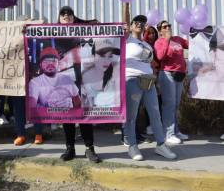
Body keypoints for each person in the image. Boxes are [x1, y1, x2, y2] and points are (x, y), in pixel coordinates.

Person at [123, 14, 177, 161]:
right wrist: (126, 5)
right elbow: (125, 19)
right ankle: (132, 146)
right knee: (131, 116)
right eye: (137, 22)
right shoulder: (127, 39)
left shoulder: (147, 45)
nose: (140, 24)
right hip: (132, 80)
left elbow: (151, 64)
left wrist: (155, 80)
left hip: (148, 81)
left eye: (143, 22)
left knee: (155, 113)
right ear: (132, 24)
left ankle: (161, 144)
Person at [52, 6, 100, 162]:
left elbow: (95, 25)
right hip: (65, 74)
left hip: (84, 75)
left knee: (84, 111)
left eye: (70, 13)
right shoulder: (53, 30)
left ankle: (89, 148)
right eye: (63, 13)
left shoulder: (82, 29)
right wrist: (27, 29)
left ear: (74, 17)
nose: (66, 15)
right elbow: (35, 32)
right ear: (59, 18)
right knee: (68, 112)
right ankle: (69, 148)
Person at [154, 20, 189, 144]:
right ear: (160, 31)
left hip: (180, 75)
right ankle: (168, 134)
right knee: (169, 105)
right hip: (167, 74)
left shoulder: (178, 39)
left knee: (176, 104)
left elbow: (191, 44)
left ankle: (175, 130)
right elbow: (160, 57)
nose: (168, 27)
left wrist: (197, 33)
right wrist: (167, 40)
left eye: (169, 25)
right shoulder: (159, 42)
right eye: (164, 26)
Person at [81, 38, 121, 107]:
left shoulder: (116, 69)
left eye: (110, 56)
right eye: (102, 56)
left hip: (113, 114)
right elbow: (85, 105)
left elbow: (118, 100)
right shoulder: (85, 75)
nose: (106, 60)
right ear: (93, 56)